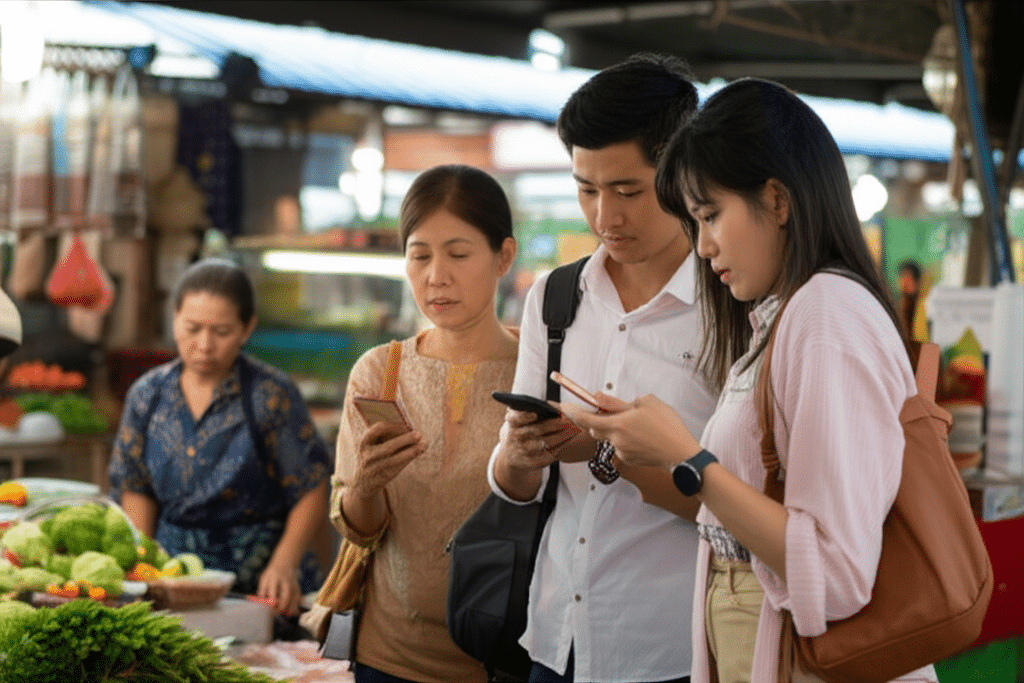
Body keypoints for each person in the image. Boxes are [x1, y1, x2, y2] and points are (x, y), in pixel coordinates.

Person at [557, 78, 938, 682]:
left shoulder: (826, 313)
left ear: (778, 201)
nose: (703, 246)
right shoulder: (783, 316)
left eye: (710, 215)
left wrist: (686, 458)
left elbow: (834, 572)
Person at [489, 53, 718, 683]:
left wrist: (611, 451)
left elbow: (747, 503)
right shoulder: (555, 298)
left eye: (627, 191)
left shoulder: (730, 307)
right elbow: (518, 484)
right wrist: (518, 454)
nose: (604, 217)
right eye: (586, 189)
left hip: (670, 648)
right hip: (553, 637)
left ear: (683, 174)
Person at [332, 164, 519, 683]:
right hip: (387, 657)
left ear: (503, 256)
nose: (437, 275)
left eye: (458, 254)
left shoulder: (538, 374)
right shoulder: (378, 372)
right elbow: (360, 528)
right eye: (419, 256)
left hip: (501, 662)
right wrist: (365, 484)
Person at [109, 258, 331, 617]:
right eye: (192, 328)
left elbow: (310, 486)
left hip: (263, 585)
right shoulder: (147, 395)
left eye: (222, 331)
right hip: (173, 579)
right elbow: (135, 487)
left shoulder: (271, 394)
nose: (205, 345)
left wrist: (284, 564)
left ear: (247, 329)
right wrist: (144, 569)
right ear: (174, 319)